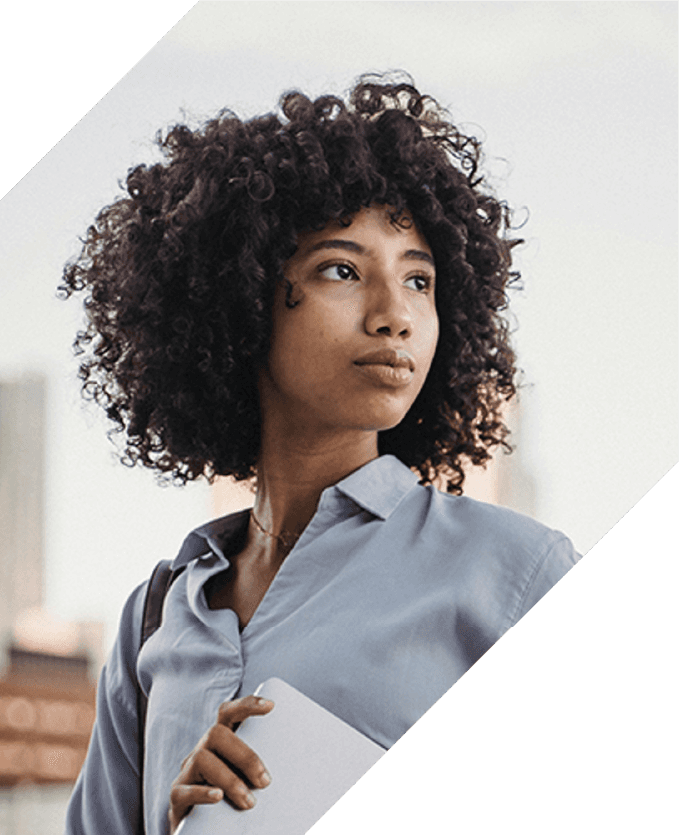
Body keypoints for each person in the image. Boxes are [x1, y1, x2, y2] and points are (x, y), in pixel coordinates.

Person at [61, 74, 579, 835]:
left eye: (420, 279)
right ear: (236, 300)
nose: (395, 315)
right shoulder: (154, 618)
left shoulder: (516, 576)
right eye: (342, 269)